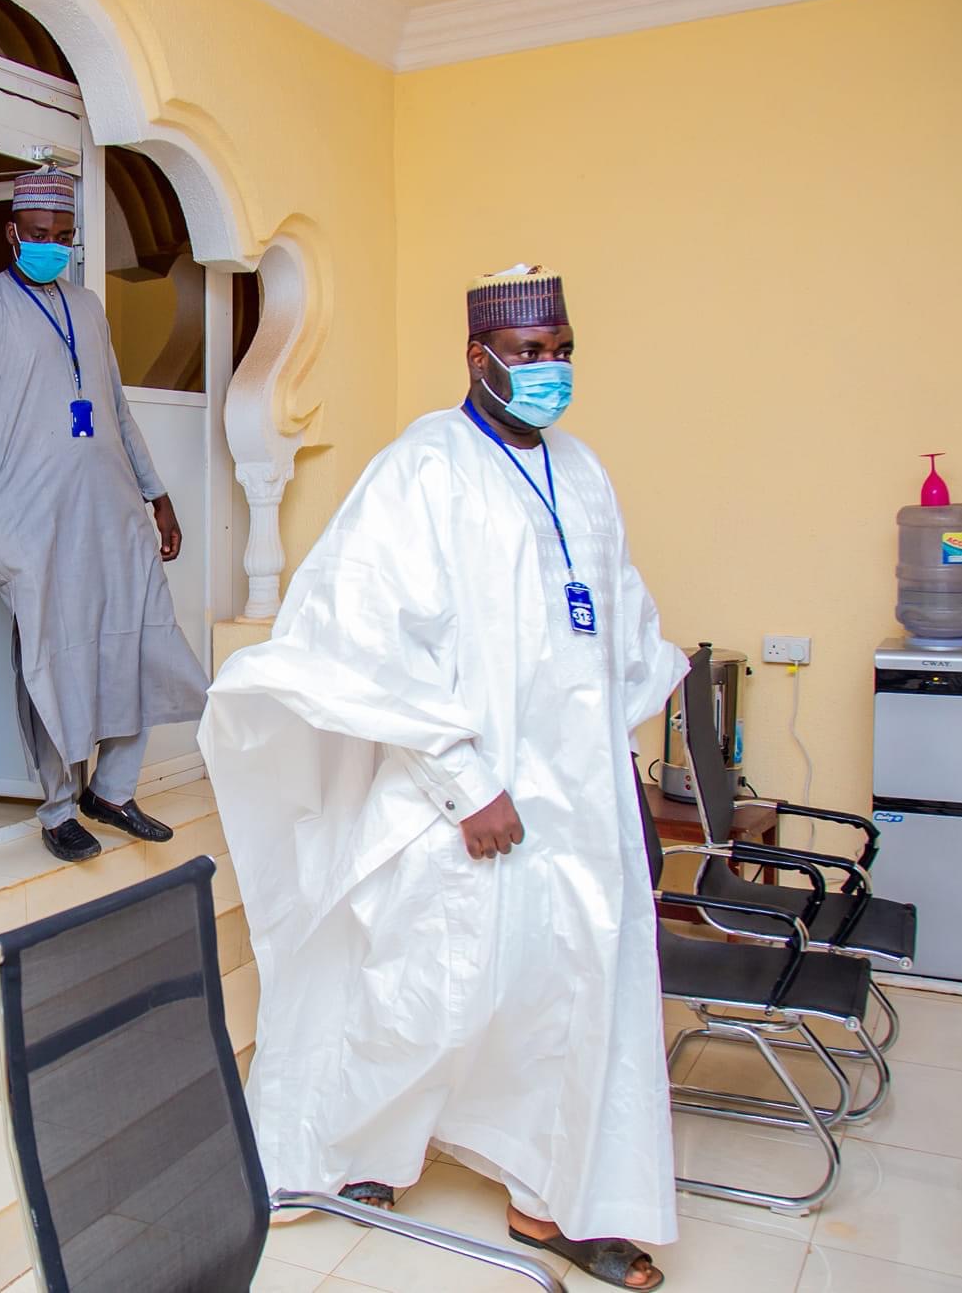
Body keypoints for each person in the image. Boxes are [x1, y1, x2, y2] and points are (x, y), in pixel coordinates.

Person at [199, 265, 685, 1290]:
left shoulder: (582, 470)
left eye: (562, 349)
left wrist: (617, 766)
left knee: (571, 992)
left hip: (580, 798)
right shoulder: (421, 469)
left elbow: (619, 622)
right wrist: (466, 782)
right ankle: (355, 1150)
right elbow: (363, 636)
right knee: (422, 984)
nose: (551, 367)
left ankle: (556, 1201)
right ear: (478, 356)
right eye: (530, 351)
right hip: (460, 796)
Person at [0, 167, 208, 862]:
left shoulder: (87, 306)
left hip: (113, 509)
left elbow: (115, 407)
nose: (51, 245)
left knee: (138, 638)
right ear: (12, 233)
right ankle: (57, 808)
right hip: (33, 520)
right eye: (39, 234)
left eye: (62, 235)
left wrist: (156, 492)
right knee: (49, 654)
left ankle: (111, 789)